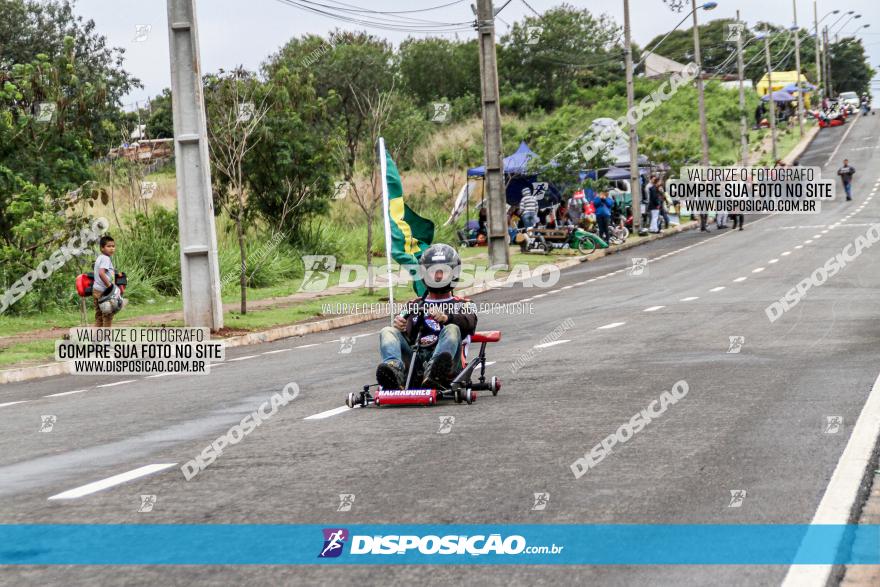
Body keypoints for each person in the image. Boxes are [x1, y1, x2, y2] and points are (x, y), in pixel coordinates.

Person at [376, 244, 477, 390]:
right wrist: (402, 327)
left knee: (452, 329)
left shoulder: (464, 304)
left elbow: (470, 322)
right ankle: (394, 370)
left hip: (449, 366)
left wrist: (446, 318)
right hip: (415, 365)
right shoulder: (413, 305)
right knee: (388, 331)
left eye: (443, 272)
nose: (438, 276)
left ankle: (435, 371)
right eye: (433, 272)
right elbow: (408, 337)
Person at [92, 235, 116, 327]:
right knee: (107, 316)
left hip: (96, 290)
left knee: (99, 316)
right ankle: (106, 340)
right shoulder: (106, 259)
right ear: (102, 248)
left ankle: (95, 340)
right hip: (104, 291)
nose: (111, 249)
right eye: (108, 246)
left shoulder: (100, 257)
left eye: (113, 246)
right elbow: (101, 273)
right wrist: (110, 286)